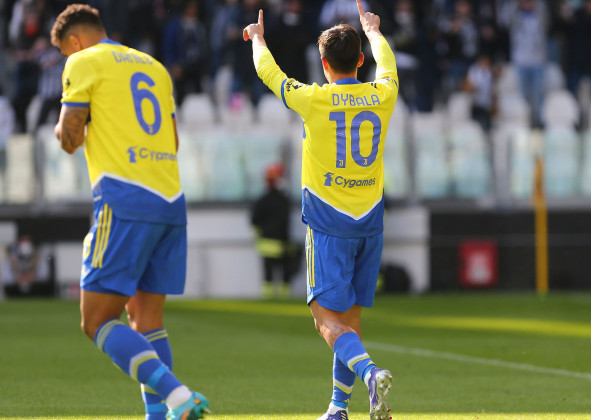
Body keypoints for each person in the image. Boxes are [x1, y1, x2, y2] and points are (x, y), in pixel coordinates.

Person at [50, 5, 209, 419]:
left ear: (75, 41)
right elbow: (171, 140)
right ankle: (159, 416)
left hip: (123, 199)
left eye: (66, 52)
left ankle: (177, 396)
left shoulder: (82, 61)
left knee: (96, 320)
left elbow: (70, 136)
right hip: (170, 200)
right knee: (147, 320)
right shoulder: (154, 67)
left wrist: (63, 128)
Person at [243, 1, 397, 419]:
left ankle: (368, 375)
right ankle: (337, 408)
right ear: (359, 60)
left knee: (325, 320)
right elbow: (387, 62)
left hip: (329, 222)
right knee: (349, 319)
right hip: (371, 221)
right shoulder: (383, 94)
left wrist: (258, 39)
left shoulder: (314, 99)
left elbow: (269, 74)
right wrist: (374, 30)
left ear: (323, 63)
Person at [250, 163, 292, 299]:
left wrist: (260, 235)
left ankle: (268, 296)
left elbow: (254, 221)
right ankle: (283, 295)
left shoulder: (262, 200)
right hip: (280, 242)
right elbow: (285, 224)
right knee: (285, 269)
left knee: (268, 271)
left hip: (266, 242)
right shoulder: (284, 201)